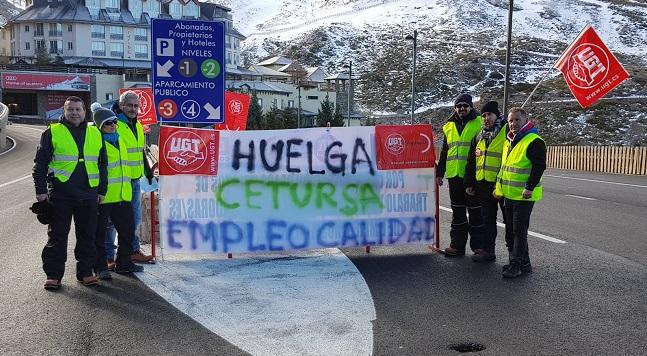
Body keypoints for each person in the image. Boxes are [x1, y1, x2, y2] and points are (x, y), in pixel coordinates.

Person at [32, 96, 108, 290]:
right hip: (61, 194)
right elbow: (40, 164)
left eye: (78, 109)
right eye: (70, 110)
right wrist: (41, 191)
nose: (74, 113)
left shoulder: (96, 133)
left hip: (89, 194)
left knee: (87, 236)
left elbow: (102, 164)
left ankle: (85, 273)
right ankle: (53, 275)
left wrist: (102, 190)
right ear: (64, 112)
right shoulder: (52, 133)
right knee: (57, 237)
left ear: (85, 112)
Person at [90, 103, 144, 279]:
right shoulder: (96, 143)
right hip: (104, 198)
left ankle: (124, 264)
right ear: (99, 126)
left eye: (114, 121)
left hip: (122, 195)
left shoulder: (119, 138)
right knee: (100, 236)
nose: (113, 125)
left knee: (127, 232)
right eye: (108, 123)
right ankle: (101, 266)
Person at [494, 107, 546, 278]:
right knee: (511, 230)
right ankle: (524, 263)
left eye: (517, 120)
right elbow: (505, 168)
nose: (513, 123)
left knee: (518, 231)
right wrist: (498, 188)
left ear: (525, 120)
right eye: (510, 121)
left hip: (524, 195)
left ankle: (516, 265)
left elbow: (539, 166)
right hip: (509, 193)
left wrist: (529, 187)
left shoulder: (533, 140)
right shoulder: (510, 140)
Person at [104, 91, 154, 267]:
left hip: (133, 180)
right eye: (129, 105)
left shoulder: (138, 125)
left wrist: (147, 171)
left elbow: (140, 151)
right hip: (116, 180)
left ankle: (132, 251)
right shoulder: (114, 124)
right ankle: (108, 256)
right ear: (121, 105)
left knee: (134, 220)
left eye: (135, 105)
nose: (133, 109)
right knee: (110, 222)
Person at [436, 93, 484, 256]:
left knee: (476, 212)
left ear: (471, 107)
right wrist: (440, 172)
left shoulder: (479, 122)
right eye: (459, 106)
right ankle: (457, 246)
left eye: (465, 105)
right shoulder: (448, 126)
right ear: (455, 108)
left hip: (472, 177)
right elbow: (444, 151)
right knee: (457, 213)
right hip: (454, 176)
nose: (462, 108)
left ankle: (479, 247)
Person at [464, 101, 507, 262]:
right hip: (483, 185)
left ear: (496, 115)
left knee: (510, 223)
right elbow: (471, 161)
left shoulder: (506, 131)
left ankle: (516, 257)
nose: (486, 118)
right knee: (487, 221)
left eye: (489, 114)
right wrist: (469, 183)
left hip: (502, 186)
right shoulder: (479, 136)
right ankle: (488, 251)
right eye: (483, 115)